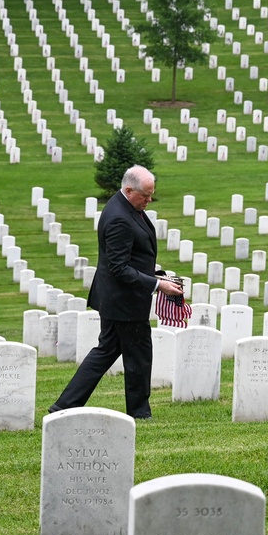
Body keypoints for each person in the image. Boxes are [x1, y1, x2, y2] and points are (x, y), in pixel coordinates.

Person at [49, 165, 182, 419]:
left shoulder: (125, 206)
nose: (149, 200)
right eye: (145, 195)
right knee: (139, 356)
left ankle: (64, 406)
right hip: (124, 302)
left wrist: (153, 271)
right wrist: (157, 285)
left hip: (117, 298)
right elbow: (119, 268)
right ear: (129, 190)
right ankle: (139, 412)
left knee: (105, 351)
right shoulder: (120, 217)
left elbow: (129, 256)